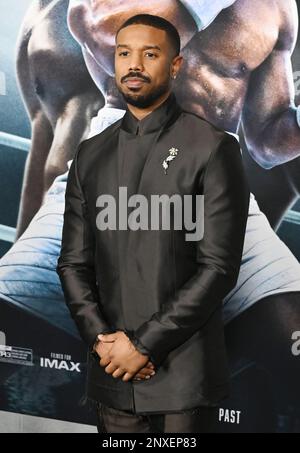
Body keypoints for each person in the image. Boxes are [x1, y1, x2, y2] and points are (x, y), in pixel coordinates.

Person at [56, 14, 250, 433]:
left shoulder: (213, 149)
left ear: (176, 65)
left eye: (150, 54)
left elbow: (217, 268)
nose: (134, 64)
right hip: (113, 377)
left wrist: (143, 346)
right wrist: (104, 344)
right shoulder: (90, 155)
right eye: (124, 53)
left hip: (184, 384)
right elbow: (72, 263)